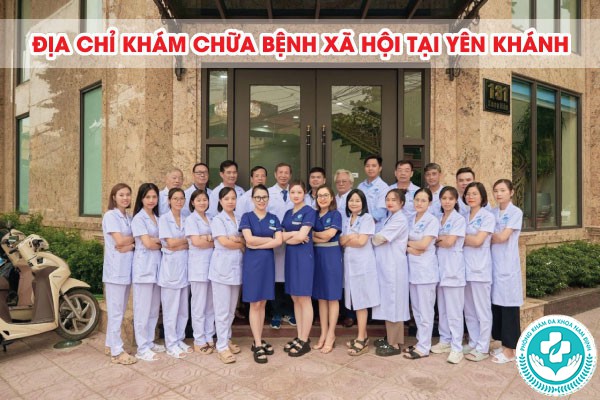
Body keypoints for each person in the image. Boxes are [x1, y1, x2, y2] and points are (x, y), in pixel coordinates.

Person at [240, 184, 283, 363]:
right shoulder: (247, 217)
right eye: (258, 197)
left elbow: (278, 241)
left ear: (268, 199)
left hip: (267, 265)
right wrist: (268, 240)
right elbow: (248, 240)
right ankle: (257, 343)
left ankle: (259, 338)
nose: (261, 200)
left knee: (263, 303)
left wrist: (257, 244)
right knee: (255, 303)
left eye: (264, 197)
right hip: (252, 265)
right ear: (252, 199)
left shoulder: (273, 218)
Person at [340, 189, 380, 356]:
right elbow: (341, 241)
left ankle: (362, 339)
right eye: (351, 200)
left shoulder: (367, 218)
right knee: (356, 301)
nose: (354, 203)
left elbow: (362, 241)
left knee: (361, 303)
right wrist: (352, 237)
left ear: (363, 203)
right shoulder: (348, 219)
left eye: (357, 200)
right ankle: (362, 336)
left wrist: (349, 239)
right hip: (351, 266)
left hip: (363, 266)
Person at [430, 186, 466, 364]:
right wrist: (440, 239)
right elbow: (438, 240)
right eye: (444, 198)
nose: (447, 201)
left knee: (454, 311)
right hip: (440, 268)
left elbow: (450, 242)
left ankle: (457, 347)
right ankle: (445, 340)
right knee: (442, 309)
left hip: (453, 269)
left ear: (456, 200)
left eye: (451, 198)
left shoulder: (459, 219)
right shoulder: (438, 218)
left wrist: (436, 239)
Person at [372, 189, 410, 357]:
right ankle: (391, 337)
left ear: (401, 203)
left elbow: (380, 239)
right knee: (389, 302)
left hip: (394, 267)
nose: (390, 202)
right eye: (388, 199)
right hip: (386, 266)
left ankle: (394, 344)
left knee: (394, 303)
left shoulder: (400, 219)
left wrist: (367, 237)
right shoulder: (390, 217)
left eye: (394, 200)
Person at [209, 187, 245, 364]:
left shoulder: (239, 218)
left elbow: (245, 239)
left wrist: (237, 240)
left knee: (231, 310)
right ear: (220, 201)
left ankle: (227, 339)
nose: (230, 201)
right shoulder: (217, 220)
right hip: (221, 270)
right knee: (222, 310)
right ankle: (221, 346)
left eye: (233, 198)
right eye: (226, 199)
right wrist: (240, 243)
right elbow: (223, 242)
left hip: (236, 268)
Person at [102, 183, 137, 365]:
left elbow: (125, 243)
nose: (125, 198)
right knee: (116, 312)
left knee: (120, 310)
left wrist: (129, 245)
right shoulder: (110, 216)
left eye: (128, 194)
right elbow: (120, 241)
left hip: (126, 269)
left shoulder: (128, 217)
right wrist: (132, 240)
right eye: (121, 195)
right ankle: (117, 352)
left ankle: (110, 344)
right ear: (114, 197)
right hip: (115, 271)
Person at [490, 179, 523, 364]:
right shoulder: (492, 212)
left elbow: (502, 237)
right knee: (497, 306)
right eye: (496, 190)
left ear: (511, 192)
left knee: (509, 307)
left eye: (502, 190)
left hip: (508, 266)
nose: (499, 194)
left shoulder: (515, 212)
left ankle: (510, 351)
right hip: (494, 265)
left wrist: (486, 235)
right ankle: (503, 345)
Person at [281, 180, 316, 357]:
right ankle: (300, 335)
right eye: (292, 192)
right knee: (295, 297)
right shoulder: (288, 213)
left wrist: (291, 237)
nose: (296, 195)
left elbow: (302, 236)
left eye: (299, 192)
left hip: (303, 258)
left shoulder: (309, 211)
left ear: (304, 194)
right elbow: (279, 236)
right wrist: (294, 235)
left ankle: (304, 339)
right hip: (290, 257)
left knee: (304, 297)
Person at [131, 183, 165, 361]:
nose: (151, 200)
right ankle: (142, 347)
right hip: (143, 267)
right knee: (142, 309)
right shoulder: (139, 219)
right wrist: (160, 242)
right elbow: (149, 244)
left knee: (153, 308)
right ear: (141, 199)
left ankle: (150, 341)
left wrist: (157, 241)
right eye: (148, 197)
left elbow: (158, 241)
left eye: (154, 197)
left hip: (157, 267)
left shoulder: (157, 218)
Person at [404, 188, 439, 360]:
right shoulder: (410, 218)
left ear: (430, 203)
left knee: (425, 311)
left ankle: (424, 347)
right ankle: (420, 342)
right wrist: (412, 247)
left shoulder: (432, 221)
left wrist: (408, 245)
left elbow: (424, 245)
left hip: (426, 272)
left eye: (423, 200)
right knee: (417, 310)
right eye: (417, 199)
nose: (419, 203)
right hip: (413, 270)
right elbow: (404, 242)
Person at [462, 182, 495, 362]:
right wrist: (467, 238)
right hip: (464, 269)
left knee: (482, 310)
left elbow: (477, 241)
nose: (470, 197)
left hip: (480, 269)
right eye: (468, 194)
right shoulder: (463, 216)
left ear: (482, 196)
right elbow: (471, 239)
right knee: (469, 309)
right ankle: (473, 341)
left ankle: (483, 347)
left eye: (474, 194)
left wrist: (460, 237)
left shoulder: (487, 216)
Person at [158, 188, 191, 359]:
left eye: (181, 198)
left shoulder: (187, 219)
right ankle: (170, 344)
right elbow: (170, 243)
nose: (178, 201)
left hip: (184, 267)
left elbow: (190, 242)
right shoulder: (164, 219)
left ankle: (179, 339)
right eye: (175, 198)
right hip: (170, 269)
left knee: (183, 309)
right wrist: (184, 241)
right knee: (171, 309)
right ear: (169, 201)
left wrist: (180, 243)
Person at [312, 185, 343, 354]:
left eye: (326, 195)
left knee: (332, 297)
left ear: (331, 198)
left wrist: (314, 236)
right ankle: (323, 333)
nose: (322, 198)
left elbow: (329, 235)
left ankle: (331, 334)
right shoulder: (313, 215)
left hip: (331, 257)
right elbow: (315, 236)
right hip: (317, 257)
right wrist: (319, 236)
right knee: (321, 297)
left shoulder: (335, 215)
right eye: (319, 196)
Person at [184, 189, 216, 354]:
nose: (202, 202)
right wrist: (211, 239)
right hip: (198, 267)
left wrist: (207, 238)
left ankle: (209, 336)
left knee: (211, 304)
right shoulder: (191, 220)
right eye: (198, 200)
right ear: (192, 203)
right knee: (199, 305)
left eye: (204, 199)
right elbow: (196, 242)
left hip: (212, 265)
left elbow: (217, 237)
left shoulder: (211, 218)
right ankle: (199, 339)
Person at [267, 163, 295, 329]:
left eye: (286, 173)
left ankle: (291, 312)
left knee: (291, 277)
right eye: (280, 172)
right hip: (274, 241)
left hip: (293, 241)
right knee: (276, 278)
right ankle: (276, 312)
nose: (283, 175)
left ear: (290, 175)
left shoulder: (296, 192)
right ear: (275, 174)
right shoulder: (268, 193)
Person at [334, 168, 355, 328]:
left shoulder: (354, 198)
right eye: (338, 181)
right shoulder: (334, 199)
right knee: (339, 278)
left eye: (344, 181)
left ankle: (350, 314)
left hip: (350, 243)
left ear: (351, 183)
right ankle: (340, 311)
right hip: (334, 242)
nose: (341, 184)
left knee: (351, 279)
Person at [357, 155, 388, 230]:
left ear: (380, 168)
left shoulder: (384, 187)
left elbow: (381, 211)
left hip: (376, 228)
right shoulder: (360, 186)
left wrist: (366, 224)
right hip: (359, 226)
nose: (370, 168)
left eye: (374, 166)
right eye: (367, 166)